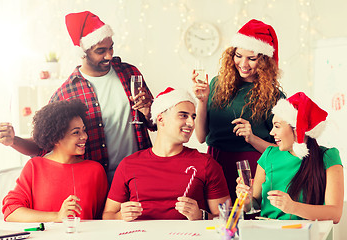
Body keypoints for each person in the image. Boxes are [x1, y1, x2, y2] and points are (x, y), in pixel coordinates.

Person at [0, 11, 155, 184]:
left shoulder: (129, 73)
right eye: (101, 51)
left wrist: (149, 112)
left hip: (139, 175)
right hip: (97, 184)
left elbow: (155, 122)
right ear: (83, 52)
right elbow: (42, 145)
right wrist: (13, 141)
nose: (109, 55)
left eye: (111, 48)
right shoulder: (65, 94)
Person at [103, 88, 230, 221]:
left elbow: (226, 217)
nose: (191, 123)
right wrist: (120, 216)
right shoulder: (129, 164)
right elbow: (108, 215)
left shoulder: (206, 164)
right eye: (183, 115)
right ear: (161, 119)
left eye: (193, 117)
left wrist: (201, 215)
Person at [192, 19, 284, 202]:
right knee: (217, 221)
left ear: (265, 61)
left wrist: (253, 138)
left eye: (252, 58)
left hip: (252, 168)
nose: (243, 63)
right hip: (215, 163)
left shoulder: (274, 96)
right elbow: (201, 137)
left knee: (247, 220)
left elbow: (284, 151)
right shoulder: (217, 84)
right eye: (238, 55)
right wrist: (201, 101)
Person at [236, 92, 344, 223]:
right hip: (268, 232)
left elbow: (335, 214)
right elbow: (255, 204)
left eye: (277, 126)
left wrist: (292, 207)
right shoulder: (269, 154)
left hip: (308, 233)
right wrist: (247, 201)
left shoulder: (328, 156)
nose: (271, 132)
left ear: (297, 128)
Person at [2, 100, 108, 222]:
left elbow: (102, 217)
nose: (84, 136)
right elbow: (12, 212)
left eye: (84, 130)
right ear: (55, 138)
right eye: (76, 132)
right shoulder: (35, 167)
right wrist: (57, 216)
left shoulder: (95, 170)